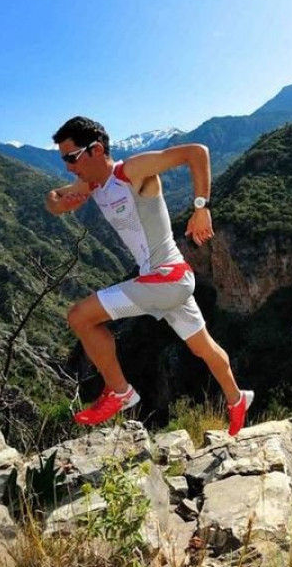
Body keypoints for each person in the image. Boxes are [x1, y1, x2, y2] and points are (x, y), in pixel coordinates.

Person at [45, 116, 253, 435]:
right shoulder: (92, 185)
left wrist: (201, 207)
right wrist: (55, 201)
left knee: (79, 317)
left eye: (72, 158)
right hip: (169, 279)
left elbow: (196, 152)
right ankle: (238, 399)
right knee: (204, 348)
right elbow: (57, 200)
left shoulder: (132, 171)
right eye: (63, 159)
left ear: (96, 149)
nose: (69, 167)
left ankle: (119, 391)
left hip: (166, 278)